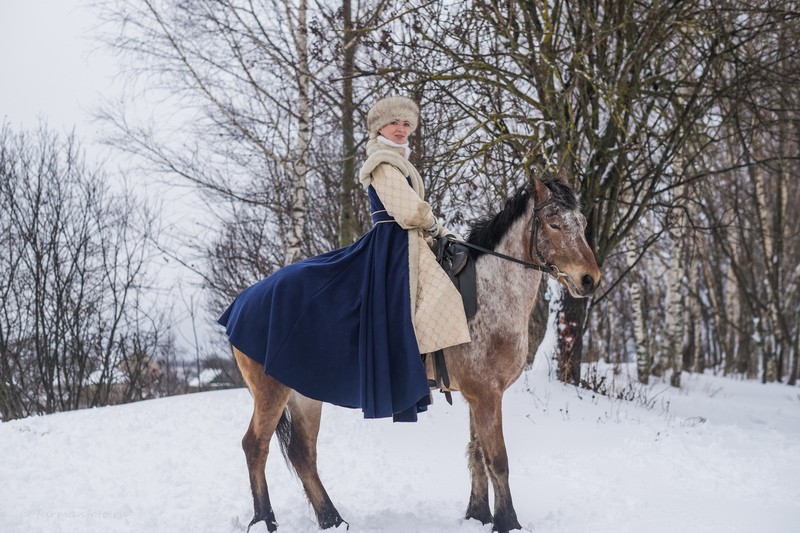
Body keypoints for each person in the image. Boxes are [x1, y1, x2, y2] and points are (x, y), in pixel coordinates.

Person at [218, 96, 470, 422]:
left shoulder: (398, 160)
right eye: (394, 123)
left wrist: (442, 233)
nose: (401, 129)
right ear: (380, 126)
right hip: (393, 247)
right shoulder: (381, 162)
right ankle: (415, 367)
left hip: (408, 243)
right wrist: (434, 225)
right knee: (423, 298)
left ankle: (431, 367)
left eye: (407, 124)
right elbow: (407, 210)